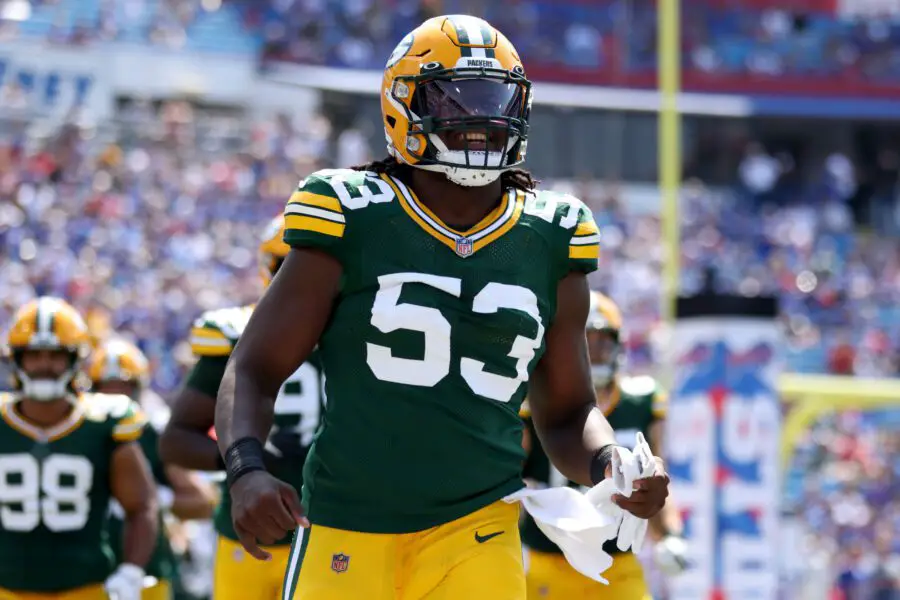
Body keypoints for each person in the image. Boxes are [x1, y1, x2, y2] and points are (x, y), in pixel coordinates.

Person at [214, 14, 671, 600]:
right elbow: (253, 366)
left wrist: (610, 461)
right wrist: (247, 469)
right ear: (403, 106)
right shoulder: (353, 213)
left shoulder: (552, 233)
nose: (481, 119)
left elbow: (565, 410)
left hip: (477, 526)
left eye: (495, 98)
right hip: (345, 520)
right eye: (456, 100)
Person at [159, 215, 325, 600]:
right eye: (289, 266)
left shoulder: (369, 334)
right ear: (270, 271)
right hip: (250, 535)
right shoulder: (236, 333)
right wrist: (244, 463)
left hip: (338, 528)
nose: (306, 278)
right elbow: (177, 440)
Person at [521, 292, 688, 599]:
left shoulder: (641, 401)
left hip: (618, 566)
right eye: (585, 343)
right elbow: (509, 475)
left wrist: (668, 535)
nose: (594, 353)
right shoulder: (533, 404)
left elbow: (655, 480)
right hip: (549, 562)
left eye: (602, 342)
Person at [0, 297, 158, 600]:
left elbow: (141, 505)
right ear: (16, 359)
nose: (44, 365)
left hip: (84, 589)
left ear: (74, 359)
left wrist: (131, 572)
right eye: (34, 355)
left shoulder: (103, 423)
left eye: (55, 355)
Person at [88, 338, 217, 600]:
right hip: (86, 573)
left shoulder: (152, 435)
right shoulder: (79, 432)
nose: (116, 398)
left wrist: (158, 499)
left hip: (147, 572)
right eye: (106, 389)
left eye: (123, 387)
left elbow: (202, 501)